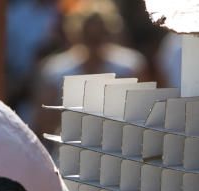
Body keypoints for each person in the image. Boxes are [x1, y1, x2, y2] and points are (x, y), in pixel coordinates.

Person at [33, 0, 149, 138]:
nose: (94, 44)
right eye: (88, 37)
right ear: (77, 34)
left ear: (109, 33)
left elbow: (142, 117)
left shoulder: (130, 68)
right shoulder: (56, 71)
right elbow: (44, 124)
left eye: (99, 36)